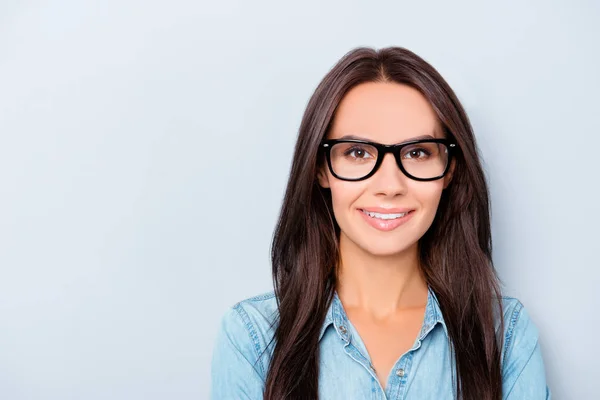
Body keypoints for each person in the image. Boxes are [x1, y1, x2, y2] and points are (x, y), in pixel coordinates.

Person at [210, 46, 550, 399]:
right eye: (357, 153)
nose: (390, 186)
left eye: (418, 153)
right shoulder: (252, 336)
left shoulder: (504, 335)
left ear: (449, 169)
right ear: (320, 168)